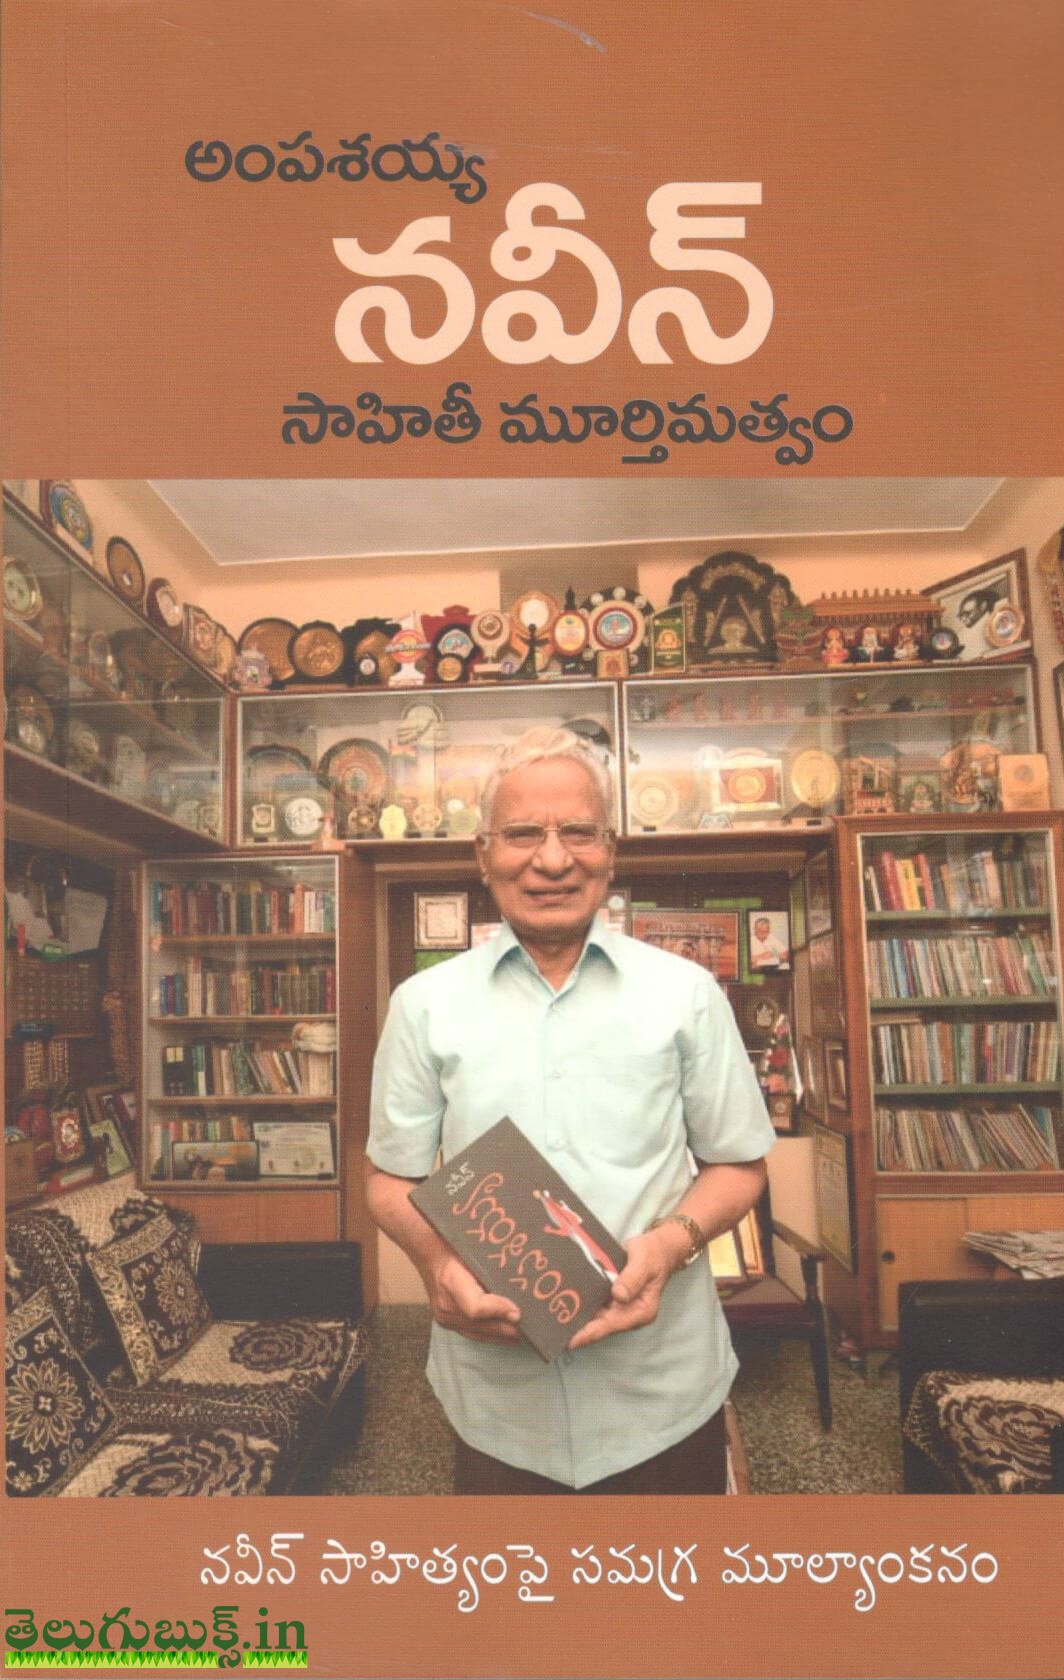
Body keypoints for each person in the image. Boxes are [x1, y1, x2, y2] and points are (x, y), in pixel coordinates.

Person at [365, 726, 776, 1494]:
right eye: (523, 834)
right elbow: (391, 1180)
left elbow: (739, 1165)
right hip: (499, 1403)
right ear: (484, 854)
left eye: (578, 833)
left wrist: (669, 1246)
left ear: (610, 851)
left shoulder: (685, 994)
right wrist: (438, 1264)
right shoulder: (423, 1006)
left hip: (660, 1390)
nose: (553, 861)